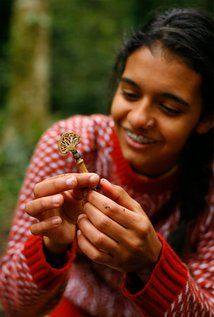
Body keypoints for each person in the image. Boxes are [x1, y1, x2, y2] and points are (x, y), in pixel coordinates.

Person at [0, 7, 213, 317]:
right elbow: (12, 303)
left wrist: (152, 261)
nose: (139, 119)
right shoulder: (71, 143)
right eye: (129, 93)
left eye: (169, 108)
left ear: (205, 118)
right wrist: (52, 247)